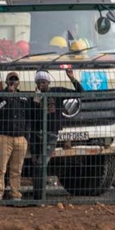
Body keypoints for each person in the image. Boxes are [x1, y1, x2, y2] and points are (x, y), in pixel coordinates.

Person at [30, 69, 83, 200]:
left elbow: (80, 93)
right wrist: (35, 102)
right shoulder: (34, 97)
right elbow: (30, 116)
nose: (41, 85)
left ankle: (40, 195)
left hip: (51, 133)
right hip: (37, 133)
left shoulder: (57, 92)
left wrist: (72, 79)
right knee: (36, 162)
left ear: (48, 82)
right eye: (39, 82)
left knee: (42, 162)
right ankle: (38, 194)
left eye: (43, 82)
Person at [0, 72, 33, 201]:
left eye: (15, 80)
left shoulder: (24, 97)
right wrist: (8, 96)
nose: (13, 82)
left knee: (16, 169)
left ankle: (15, 193)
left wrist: (26, 136)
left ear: (19, 82)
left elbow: (30, 116)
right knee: (0, 168)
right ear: (6, 81)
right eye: (10, 80)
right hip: (4, 136)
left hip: (20, 138)